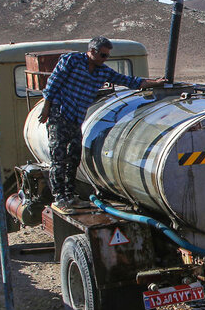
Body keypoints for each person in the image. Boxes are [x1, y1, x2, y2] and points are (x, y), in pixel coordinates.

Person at [41, 36, 166, 212]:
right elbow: (53, 83)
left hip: (76, 119)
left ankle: (70, 195)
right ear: (91, 51)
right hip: (60, 114)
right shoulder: (72, 61)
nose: (105, 59)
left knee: (74, 156)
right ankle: (60, 198)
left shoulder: (103, 71)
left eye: (107, 56)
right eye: (103, 55)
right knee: (59, 158)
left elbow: (128, 81)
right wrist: (46, 107)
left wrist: (154, 82)